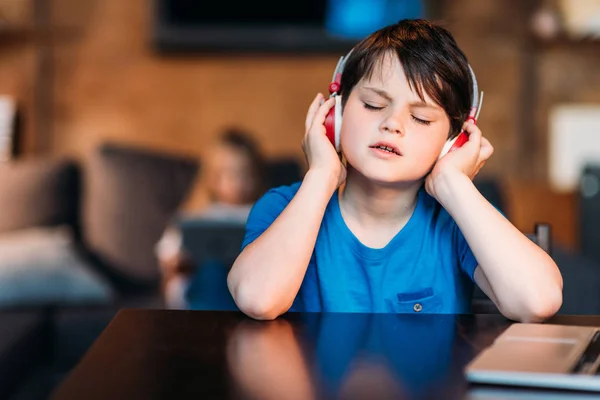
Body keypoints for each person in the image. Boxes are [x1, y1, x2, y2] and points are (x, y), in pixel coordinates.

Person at [227, 19, 563, 322]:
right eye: (373, 105)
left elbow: (538, 301)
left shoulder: (456, 223)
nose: (392, 124)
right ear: (336, 114)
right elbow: (257, 299)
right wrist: (321, 174)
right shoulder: (283, 207)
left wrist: (452, 183)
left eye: (420, 118)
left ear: (452, 143)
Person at [156, 127, 266, 309]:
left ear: (256, 175)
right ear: (212, 176)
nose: (237, 182)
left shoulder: (263, 213)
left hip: (247, 283)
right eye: (229, 173)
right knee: (213, 271)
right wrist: (179, 262)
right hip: (202, 286)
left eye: (244, 173)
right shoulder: (198, 215)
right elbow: (167, 257)